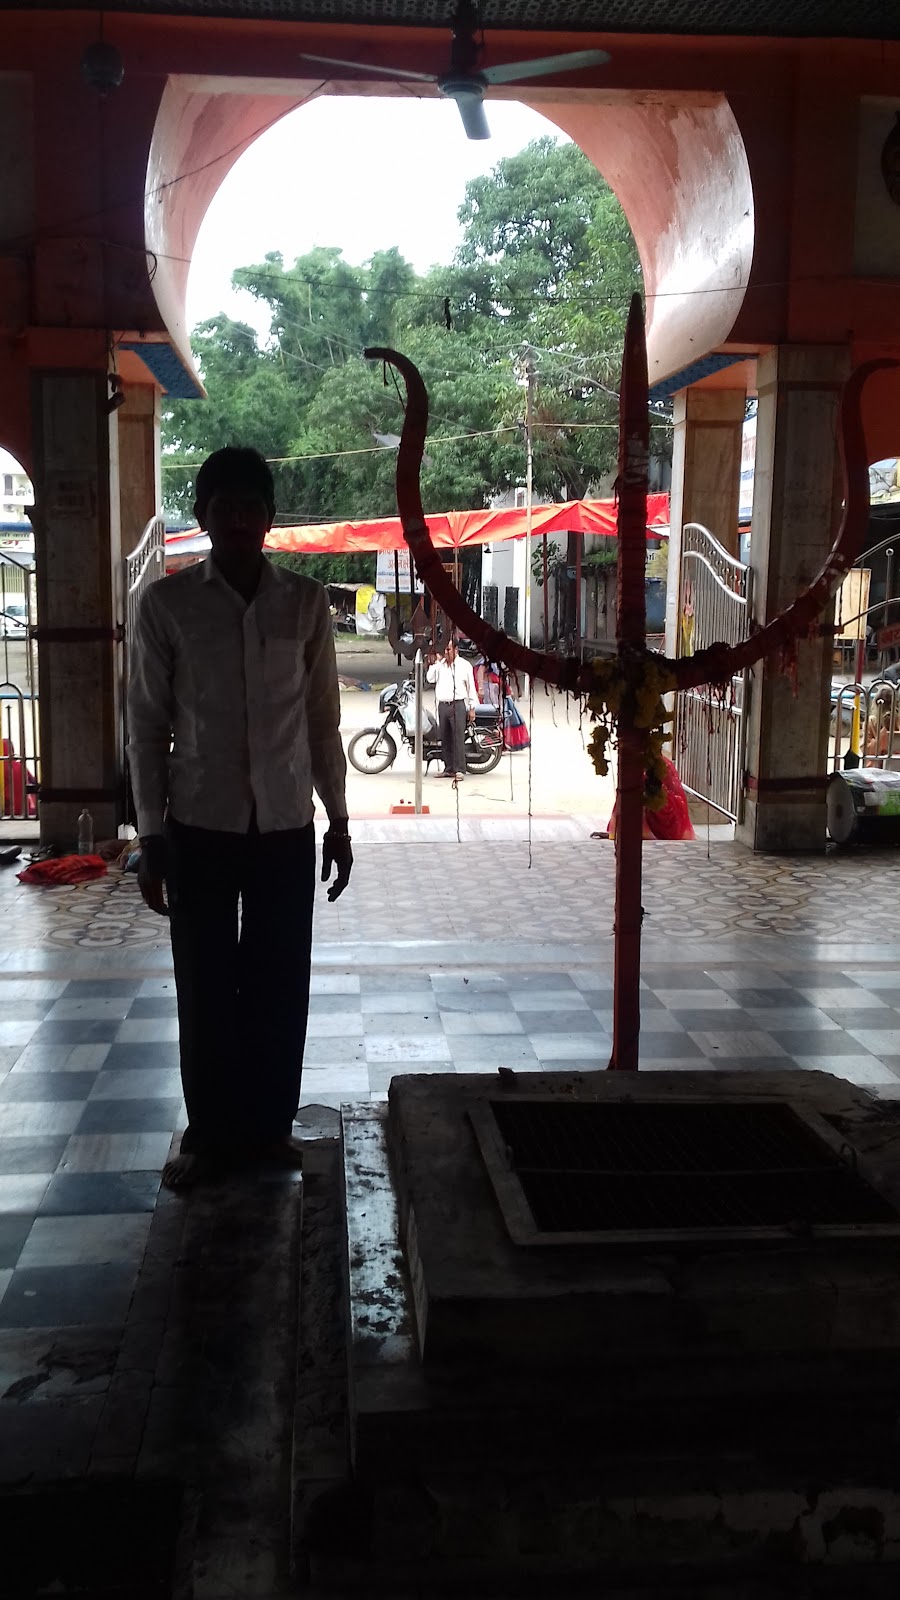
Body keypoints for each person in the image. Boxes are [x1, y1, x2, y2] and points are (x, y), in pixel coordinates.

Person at [127, 446, 352, 1191]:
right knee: (206, 981)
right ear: (203, 516)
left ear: (270, 517)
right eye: (224, 505)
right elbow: (146, 726)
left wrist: (340, 819)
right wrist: (151, 839)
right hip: (199, 825)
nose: (239, 519)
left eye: (252, 505)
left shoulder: (305, 602)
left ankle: (267, 1129)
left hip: (286, 824)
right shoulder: (167, 605)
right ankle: (211, 1136)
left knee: (278, 982)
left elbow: (322, 722)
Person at [426, 636, 478, 778]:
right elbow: (429, 678)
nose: (446, 652)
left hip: (458, 705)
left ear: (456, 650)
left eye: (448, 649)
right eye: (444, 650)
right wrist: (437, 662)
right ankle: (448, 768)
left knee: (457, 738)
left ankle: (460, 769)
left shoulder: (464, 665)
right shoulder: (440, 666)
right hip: (443, 705)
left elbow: (471, 687)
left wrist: (472, 707)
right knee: (445, 737)